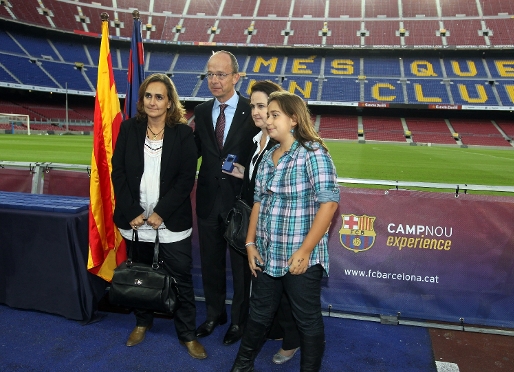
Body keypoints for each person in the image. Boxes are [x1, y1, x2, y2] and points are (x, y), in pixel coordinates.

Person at [230, 91, 340, 372]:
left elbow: (328, 204)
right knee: (258, 315)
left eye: (274, 114)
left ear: (294, 118)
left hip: (300, 258)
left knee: (307, 319)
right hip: (268, 253)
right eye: (267, 115)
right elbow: (258, 202)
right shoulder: (268, 156)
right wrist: (251, 243)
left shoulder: (314, 153)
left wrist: (304, 252)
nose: (268, 120)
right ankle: (242, 366)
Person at [111, 73, 207, 360]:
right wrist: (133, 212)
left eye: (159, 97)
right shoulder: (129, 129)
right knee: (140, 277)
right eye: (148, 96)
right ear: (142, 101)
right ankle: (142, 322)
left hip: (171, 224)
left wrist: (161, 213)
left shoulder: (183, 134)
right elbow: (119, 173)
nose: (153, 102)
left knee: (180, 280)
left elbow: (185, 179)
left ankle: (187, 334)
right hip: (135, 223)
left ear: (169, 102)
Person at [223, 80, 301, 365]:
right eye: (253, 106)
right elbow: (258, 185)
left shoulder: (283, 144)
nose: (257, 112)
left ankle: (291, 341)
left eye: (263, 107)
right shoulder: (258, 141)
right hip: (260, 229)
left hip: (279, 231)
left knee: (283, 291)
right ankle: (275, 333)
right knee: (270, 288)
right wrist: (238, 171)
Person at [193, 51, 259, 345]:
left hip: (240, 205)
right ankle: (214, 314)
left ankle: (239, 322)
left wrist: (245, 176)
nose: (214, 80)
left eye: (221, 74)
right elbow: (193, 153)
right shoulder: (202, 111)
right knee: (210, 263)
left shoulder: (254, 112)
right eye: (210, 74)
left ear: (236, 77)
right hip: (208, 202)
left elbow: (264, 159)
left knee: (242, 269)